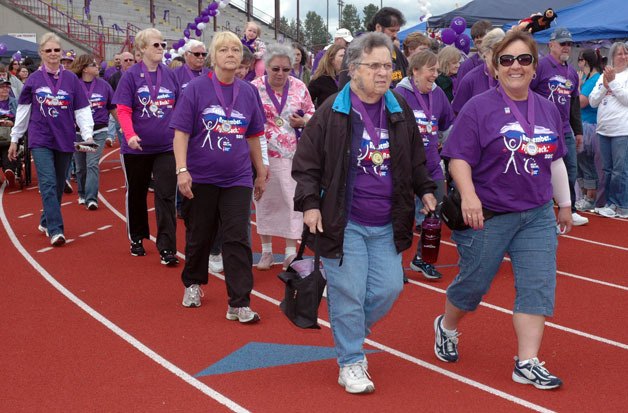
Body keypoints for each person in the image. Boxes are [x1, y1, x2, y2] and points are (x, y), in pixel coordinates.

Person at [292, 32, 437, 394]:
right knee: (350, 293)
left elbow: (416, 160)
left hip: (389, 219)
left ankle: (350, 329)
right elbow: (306, 164)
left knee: (388, 290)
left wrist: (428, 190)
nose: (384, 73)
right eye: (375, 66)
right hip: (345, 222)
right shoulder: (332, 111)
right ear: (354, 69)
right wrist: (310, 204)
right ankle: (351, 361)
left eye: (388, 66)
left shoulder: (399, 109)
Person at [434, 31, 571, 390]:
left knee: (538, 285)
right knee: (473, 286)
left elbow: (555, 159)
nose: (515, 66)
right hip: (490, 215)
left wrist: (566, 205)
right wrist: (468, 196)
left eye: (523, 59)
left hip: (537, 214)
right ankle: (447, 325)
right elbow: (458, 158)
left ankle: (526, 362)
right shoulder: (479, 107)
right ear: (494, 67)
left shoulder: (547, 107)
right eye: (507, 60)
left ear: (533, 66)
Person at [171, 31, 267, 322]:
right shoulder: (196, 89)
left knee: (238, 237)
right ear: (213, 56)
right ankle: (193, 283)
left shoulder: (248, 92)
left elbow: (253, 135)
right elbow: (181, 133)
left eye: (235, 49)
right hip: (201, 176)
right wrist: (182, 170)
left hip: (237, 177)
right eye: (223, 49)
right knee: (200, 234)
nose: (230, 54)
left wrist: (260, 171)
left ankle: (239, 301)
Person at [8, 33, 94, 246]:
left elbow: (82, 109)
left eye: (57, 50)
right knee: (47, 183)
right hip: (40, 138)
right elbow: (23, 111)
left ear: (61, 52)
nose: (53, 54)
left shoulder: (72, 79)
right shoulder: (34, 81)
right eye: (49, 50)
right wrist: (15, 138)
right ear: (41, 54)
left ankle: (46, 220)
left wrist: (88, 134)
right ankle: (56, 230)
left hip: (64, 138)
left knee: (56, 185)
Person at [113, 28, 179, 264]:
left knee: (166, 195)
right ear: (142, 49)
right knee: (138, 192)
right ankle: (137, 237)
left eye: (163, 45)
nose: (161, 49)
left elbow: (179, 107)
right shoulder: (130, 76)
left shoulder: (170, 75)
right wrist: (130, 135)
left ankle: (167, 247)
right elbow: (123, 109)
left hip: (166, 147)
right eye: (156, 45)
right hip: (136, 148)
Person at [251, 44, 314, 270]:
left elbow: (312, 112)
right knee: (264, 201)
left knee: (290, 201)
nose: (280, 74)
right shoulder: (254, 88)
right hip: (263, 154)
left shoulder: (299, 87)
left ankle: (289, 252)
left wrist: (303, 121)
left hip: (291, 154)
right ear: (266, 66)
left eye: (286, 69)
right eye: (275, 68)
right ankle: (266, 252)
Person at [395, 50, 454, 280]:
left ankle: (423, 259)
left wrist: (444, 146)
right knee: (401, 216)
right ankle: (394, 264)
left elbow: (448, 125)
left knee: (436, 212)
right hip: (404, 167)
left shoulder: (438, 94)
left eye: (437, 70)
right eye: (431, 70)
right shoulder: (400, 94)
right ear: (416, 71)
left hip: (431, 164)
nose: (435, 75)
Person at [531, 27, 588, 226]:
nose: (566, 47)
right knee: (543, 171)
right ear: (551, 44)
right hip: (541, 130)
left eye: (569, 44)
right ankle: (543, 212)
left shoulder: (572, 72)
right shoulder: (540, 67)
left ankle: (569, 208)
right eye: (562, 43)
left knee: (571, 169)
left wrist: (578, 130)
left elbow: (573, 105)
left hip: (564, 129)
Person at [70, 54, 117, 210]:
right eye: (94, 65)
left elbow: (112, 107)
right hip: (78, 132)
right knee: (81, 167)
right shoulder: (74, 85)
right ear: (85, 69)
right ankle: (82, 194)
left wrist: (122, 125)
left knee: (92, 164)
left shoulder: (104, 86)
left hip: (99, 131)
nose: (98, 67)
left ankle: (91, 198)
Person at [589, 42, 628, 219]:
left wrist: (613, 83)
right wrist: (605, 85)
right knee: (607, 170)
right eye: (620, 54)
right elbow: (592, 101)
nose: (624, 57)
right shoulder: (603, 76)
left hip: (622, 130)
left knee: (621, 170)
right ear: (612, 56)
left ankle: (620, 204)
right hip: (604, 129)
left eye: (626, 53)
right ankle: (610, 203)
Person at [575, 48, 604, 212]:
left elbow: (582, 102)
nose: (578, 63)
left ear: (584, 61)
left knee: (587, 162)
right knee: (580, 164)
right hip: (582, 124)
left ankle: (590, 197)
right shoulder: (587, 78)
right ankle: (584, 195)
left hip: (589, 126)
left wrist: (577, 88)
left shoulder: (594, 79)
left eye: (579, 60)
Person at [452, 28, 505, 114]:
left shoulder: (510, 77)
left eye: (504, 52)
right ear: (486, 52)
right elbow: (458, 112)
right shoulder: (470, 79)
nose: (500, 56)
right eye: (496, 51)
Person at [307, 44, 346, 109]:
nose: (345, 59)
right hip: (325, 117)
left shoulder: (348, 78)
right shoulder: (320, 79)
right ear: (331, 60)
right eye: (342, 56)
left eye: (346, 56)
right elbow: (307, 101)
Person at [456, 20, 493, 86]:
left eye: (486, 40)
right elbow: (461, 94)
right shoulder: (466, 66)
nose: (483, 45)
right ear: (473, 43)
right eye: (479, 42)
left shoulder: (502, 61)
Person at [0, 75, 18, 188]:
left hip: (10, 133)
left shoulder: (15, 102)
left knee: (8, 146)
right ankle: (8, 169)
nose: (5, 89)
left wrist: (12, 123)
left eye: (7, 87)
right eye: (2, 87)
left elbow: (21, 118)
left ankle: (9, 170)